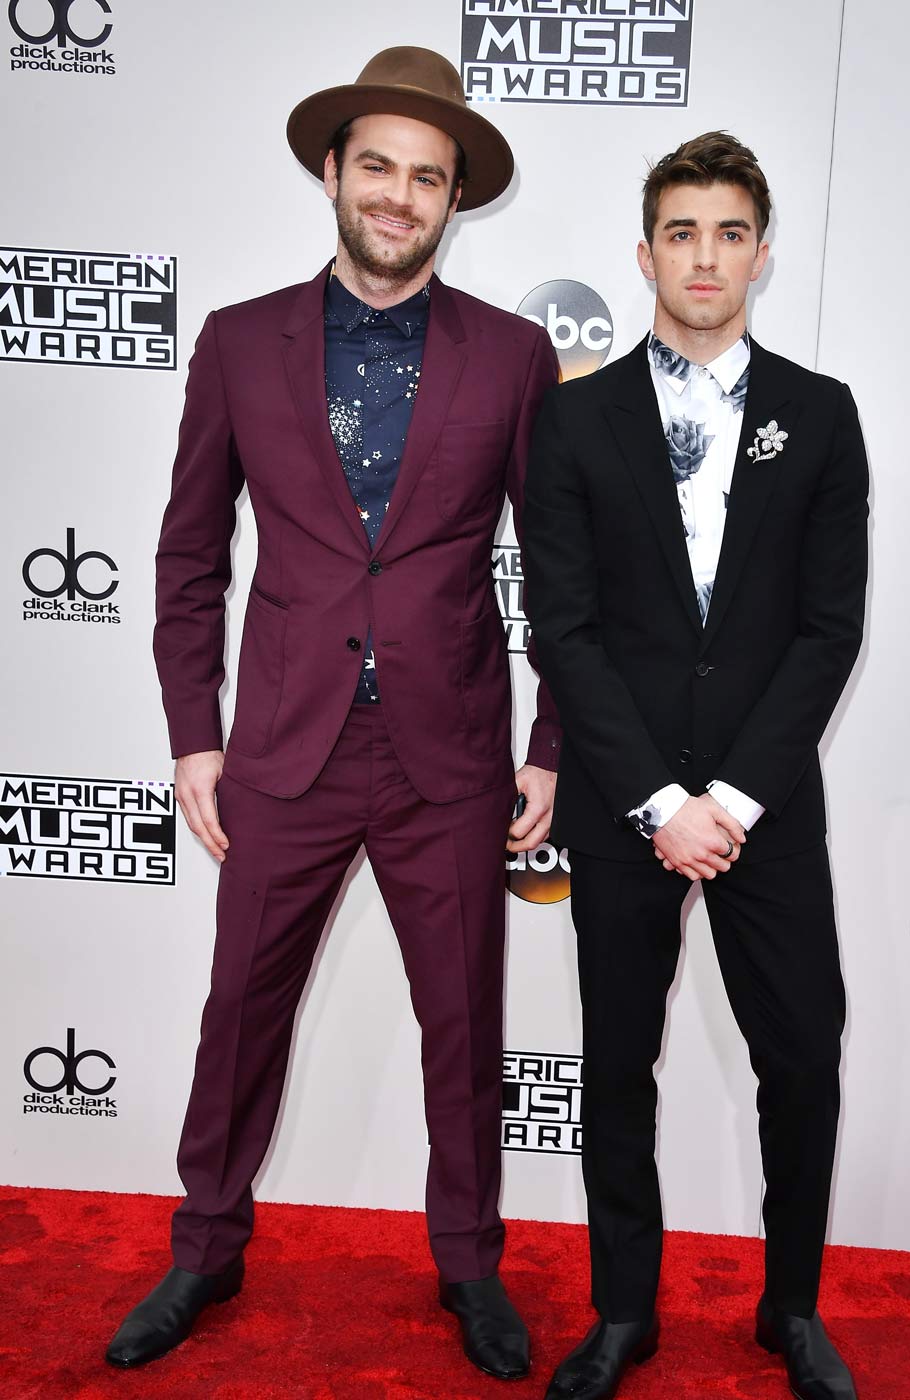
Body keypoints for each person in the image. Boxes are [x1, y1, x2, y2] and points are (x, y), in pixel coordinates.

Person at [105, 46, 560, 1378]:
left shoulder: (517, 356)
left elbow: (567, 574)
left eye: (428, 176)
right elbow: (189, 553)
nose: (399, 194)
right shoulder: (241, 342)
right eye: (378, 166)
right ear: (332, 173)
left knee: (465, 1027)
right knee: (237, 1011)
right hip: (284, 752)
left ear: (454, 199)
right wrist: (196, 733)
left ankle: (469, 1266)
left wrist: (548, 746)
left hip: (453, 757)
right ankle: (204, 1249)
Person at [523, 132, 868, 1400]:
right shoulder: (571, 420)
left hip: (766, 802)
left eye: (729, 232)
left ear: (761, 253)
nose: (705, 255)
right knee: (615, 1057)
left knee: (805, 1057)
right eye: (681, 231)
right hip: (625, 810)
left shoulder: (820, 415)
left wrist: (731, 798)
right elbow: (564, 629)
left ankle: (792, 1307)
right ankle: (624, 1311)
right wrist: (661, 802)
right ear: (645, 253)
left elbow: (830, 629)